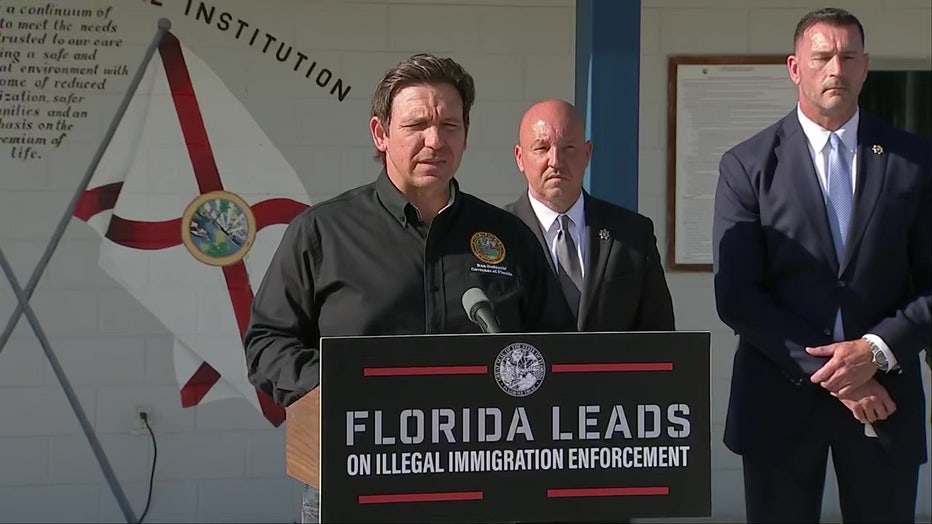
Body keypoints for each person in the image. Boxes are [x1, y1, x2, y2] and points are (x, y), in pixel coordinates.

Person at [243, 53, 575, 523]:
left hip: (483, 482)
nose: (435, 141)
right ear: (380, 134)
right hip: (355, 477)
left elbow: (557, 346)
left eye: (450, 125)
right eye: (417, 124)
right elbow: (267, 343)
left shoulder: (509, 236)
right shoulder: (322, 232)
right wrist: (337, 388)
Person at [712, 7, 930, 523]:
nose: (836, 68)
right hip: (779, 402)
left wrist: (875, 352)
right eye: (823, 57)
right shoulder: (747, 165)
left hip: (886, 403)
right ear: (795, 68)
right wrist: (842, 374)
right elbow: (738, 295)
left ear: (865, 66)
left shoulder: (913, 161)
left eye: (848, 56)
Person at [505, 99, 675, 333]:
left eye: (568, 148)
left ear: (587, 153)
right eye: (542, 148)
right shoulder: (499, 233)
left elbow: (660, 335)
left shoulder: (632, 234)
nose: (555, 161)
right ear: (519, 157)